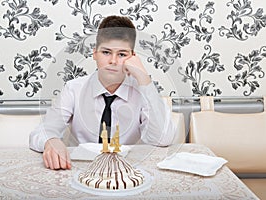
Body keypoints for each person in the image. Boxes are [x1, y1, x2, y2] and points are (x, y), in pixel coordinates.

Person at [29, 15, 175, 170]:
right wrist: (51, 141)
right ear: (95, 53)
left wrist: (144, 78)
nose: (113, 61)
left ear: (132, 57)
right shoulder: (74, 89)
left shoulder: (143, 90)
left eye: (122, 54)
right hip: (82, 169)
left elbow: (162, 139)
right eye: (106, 52)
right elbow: (41, 131)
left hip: (127, 171)